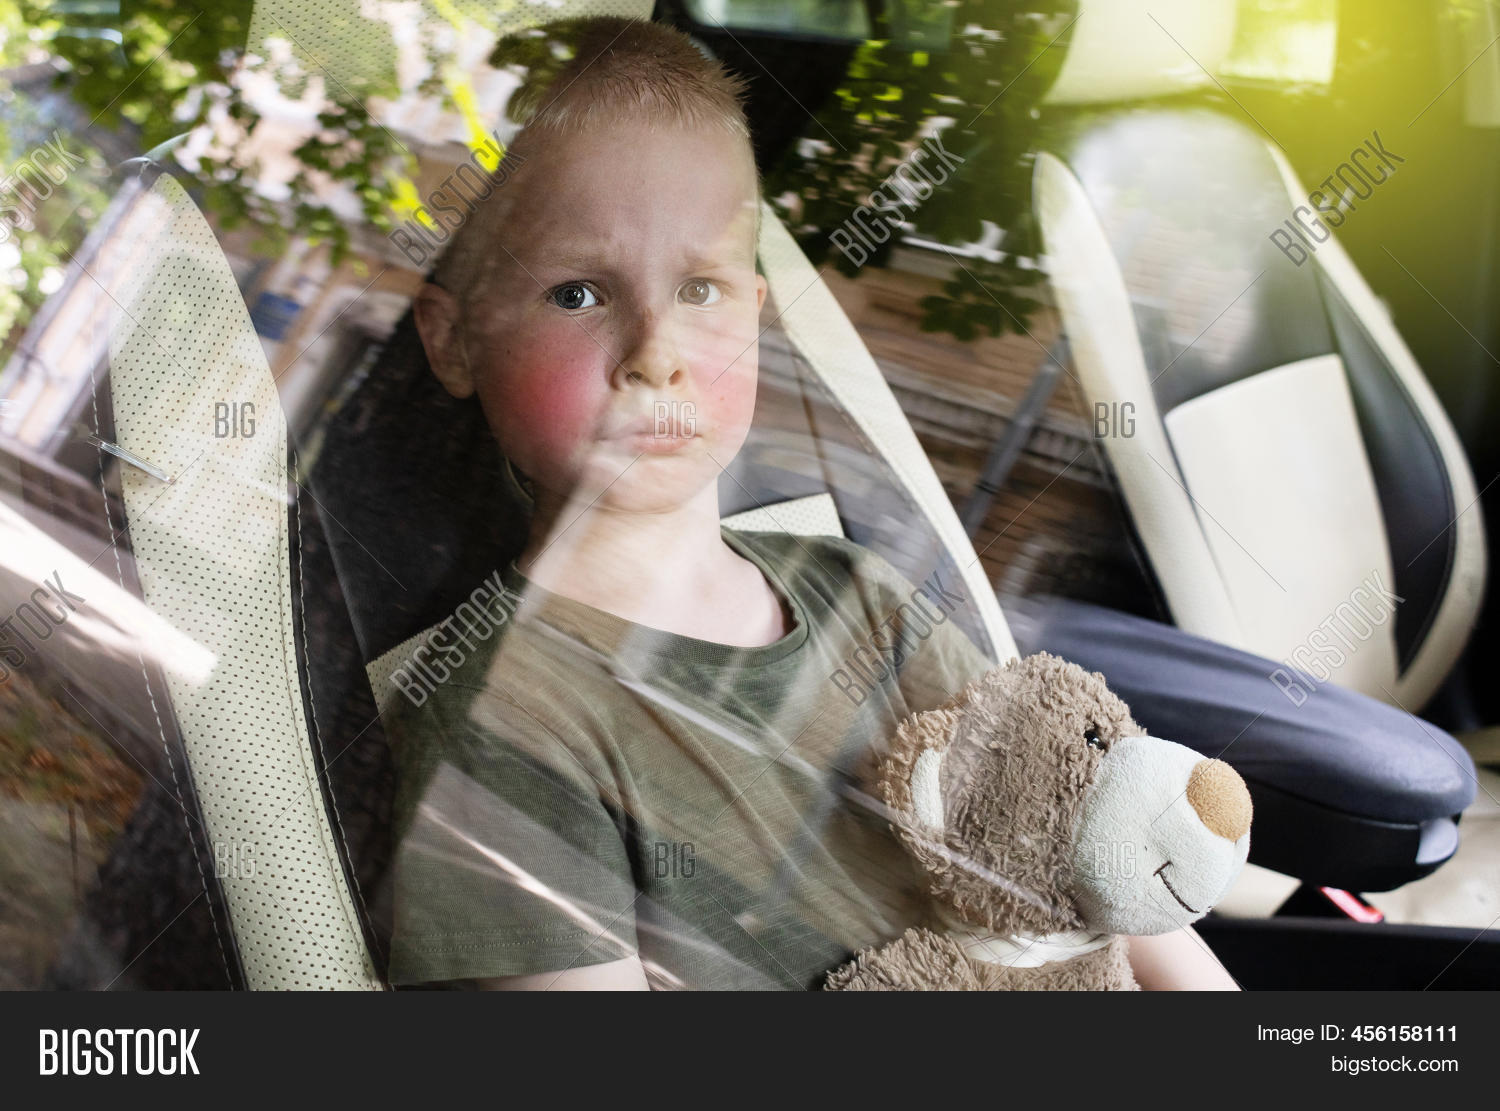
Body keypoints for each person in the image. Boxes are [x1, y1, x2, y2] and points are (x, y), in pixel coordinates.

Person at [386, 15, 1237, 990]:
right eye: (578, 293)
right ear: (454, 342)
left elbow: (1104, 868)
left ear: (753, 312)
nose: (657, 350)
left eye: (699, 289)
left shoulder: (861, 593)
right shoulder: (503, 711)